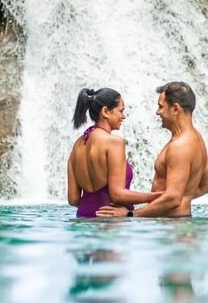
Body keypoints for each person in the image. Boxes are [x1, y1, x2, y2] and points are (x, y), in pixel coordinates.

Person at [102, 81, 208, 218]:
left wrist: (131, 214)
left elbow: (173, 198)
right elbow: (207, 185)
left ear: (175, 109)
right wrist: (184, 198)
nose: (157, 112)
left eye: (160, 106)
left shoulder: (180, 146)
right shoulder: (197, 139)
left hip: (171, 225)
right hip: (180, 221)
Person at [67, 87, 160, 218]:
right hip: (110, 222)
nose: (123, 116)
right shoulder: (114, 142)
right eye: (121, 111)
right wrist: (159, 197)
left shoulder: (77, 145)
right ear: (105, 111)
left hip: (83, 218)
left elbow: (73, 199)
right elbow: (118, 195)